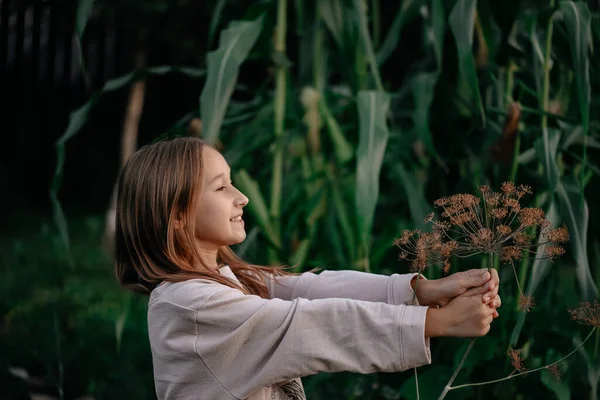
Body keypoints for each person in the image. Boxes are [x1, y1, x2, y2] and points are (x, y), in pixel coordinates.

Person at [114, 137, 501, 400]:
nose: (243, 197)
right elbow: (307, 323)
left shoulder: (217, 282)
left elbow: (305, 290)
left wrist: (419, 292)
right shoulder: (192, 307)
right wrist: (435, 324)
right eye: (221, 188)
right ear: (177, 217)